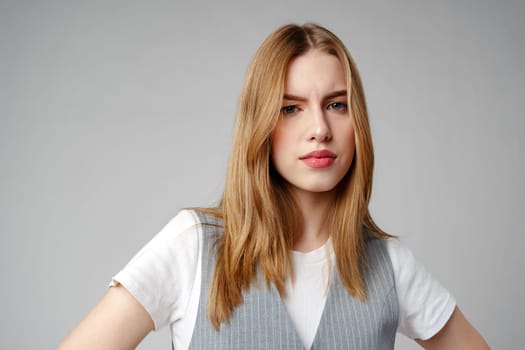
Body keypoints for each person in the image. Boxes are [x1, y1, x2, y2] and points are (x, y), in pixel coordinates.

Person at [58, 23, 489, 349]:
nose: (319, 128)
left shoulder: (391, 267)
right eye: (291, 108)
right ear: (260, 125)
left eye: (337, 105)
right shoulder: (192, 247)